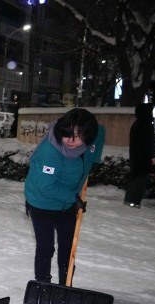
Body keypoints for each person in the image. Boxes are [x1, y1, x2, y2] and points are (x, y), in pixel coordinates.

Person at [24, 108, 105, 286]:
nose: (70, 140)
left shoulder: (91, 139)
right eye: (67, 135)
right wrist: (73, 199)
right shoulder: (50, 151)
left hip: (67, 203)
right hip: (41, 203)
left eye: (77, 136)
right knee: (46, 247)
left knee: (68, 249)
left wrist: (94, 159)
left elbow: (101, 132)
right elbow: (46, 186)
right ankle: (43, 286)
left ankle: (65, 286)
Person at [123, 103, 155, 208]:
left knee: (135, 177)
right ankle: (134, 201)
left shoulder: (137, 124)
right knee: (141, 179)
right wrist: (153, 156)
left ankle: (129, 200)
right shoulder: (146, 124)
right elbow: (148, 142)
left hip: (136, 156)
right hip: (144, 157)